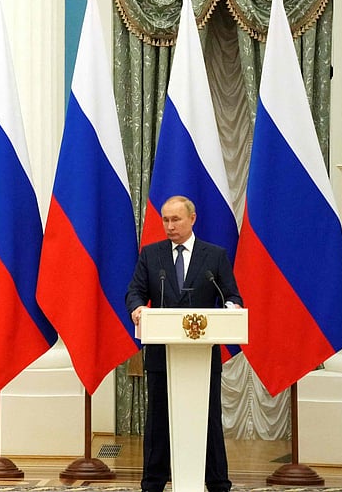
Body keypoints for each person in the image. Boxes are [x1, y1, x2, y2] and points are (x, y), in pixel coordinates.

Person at [126, 195, 243, 492]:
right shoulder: (151, 255)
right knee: (158, 421)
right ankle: (153, 484)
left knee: (209, 420)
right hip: (161, 353)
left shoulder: (214, 255)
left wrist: (231, 308)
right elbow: (135, 291)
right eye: (165, 220)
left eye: (176, 219)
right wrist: (137, 307)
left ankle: (217, 483)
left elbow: (231, 295)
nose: (170, 226)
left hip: (202, 356)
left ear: (192, 219)